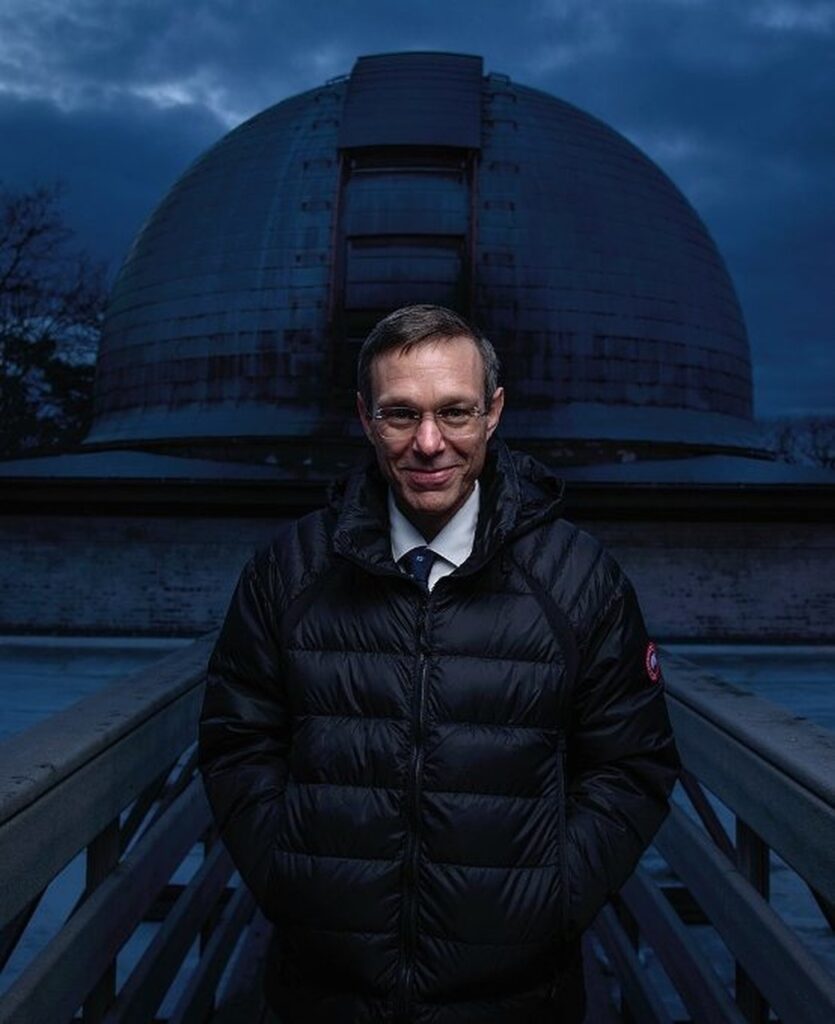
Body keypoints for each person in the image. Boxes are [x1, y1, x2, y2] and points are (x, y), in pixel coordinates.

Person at [198, 304, 680, 1023]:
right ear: (364, 418)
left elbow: (631, 762)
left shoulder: (578, 579)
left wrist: (549, 896)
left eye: (454, 413)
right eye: (400, 415)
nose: (428, 443)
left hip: (516, 997)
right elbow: (237, 740)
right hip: (325, 993)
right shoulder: (289, 571)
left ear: (493, 413)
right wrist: (292, 882)